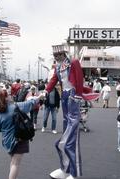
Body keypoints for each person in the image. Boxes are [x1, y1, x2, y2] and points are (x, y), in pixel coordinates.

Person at [44, 44, 99, 179]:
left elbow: (79, 80)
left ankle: (74, 173)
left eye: (59, 55)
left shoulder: (73, 63)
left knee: (70, 140)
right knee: (65, 134)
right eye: (55, 56)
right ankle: (65, 169)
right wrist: (45, 91)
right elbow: (53, 81)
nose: (56, 58)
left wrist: (78, 96)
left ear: (64, 54)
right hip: (64, 97)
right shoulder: (58, 67)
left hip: (73, 96)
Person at [0, 89, 44, 179]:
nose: (11, 96)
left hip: (7, 140)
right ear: (6, 98)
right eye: (8, 95)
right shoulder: (16, 107)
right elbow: (30, 103)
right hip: (19, 139)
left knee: (13, 162)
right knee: (15, 164)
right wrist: (40, 96)